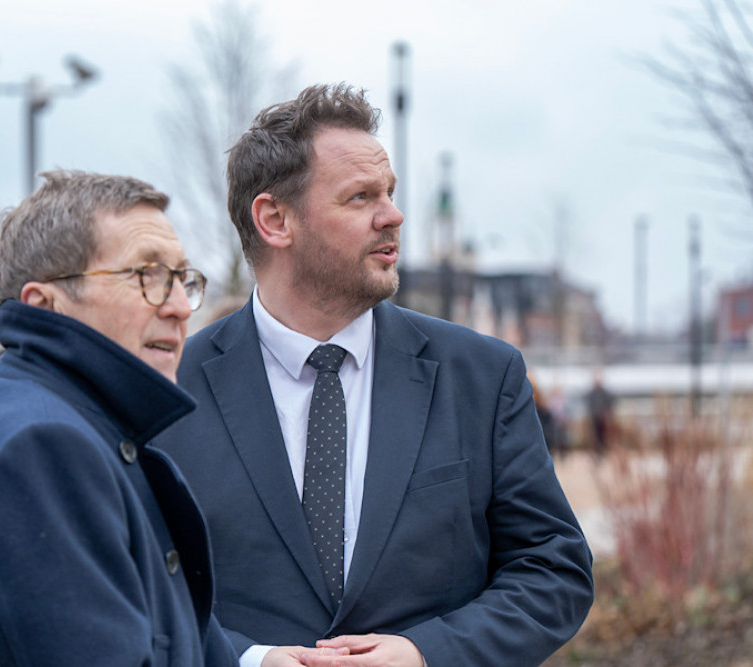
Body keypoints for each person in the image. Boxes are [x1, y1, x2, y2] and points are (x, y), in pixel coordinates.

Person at [154, 84, 594, 667]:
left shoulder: (483, 377)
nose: (393, 215)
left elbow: (553, 569)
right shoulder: (165, 388)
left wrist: (424, 653)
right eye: (361, 197)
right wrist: (247, 660)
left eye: (388, 192)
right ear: (275, 219)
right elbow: (135, 584)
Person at [0, 170, 237, 666]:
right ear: (45, 304)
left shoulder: (47, 428)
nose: (179, 306)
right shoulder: (40, 449)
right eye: (147, 276)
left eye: (182, 278)